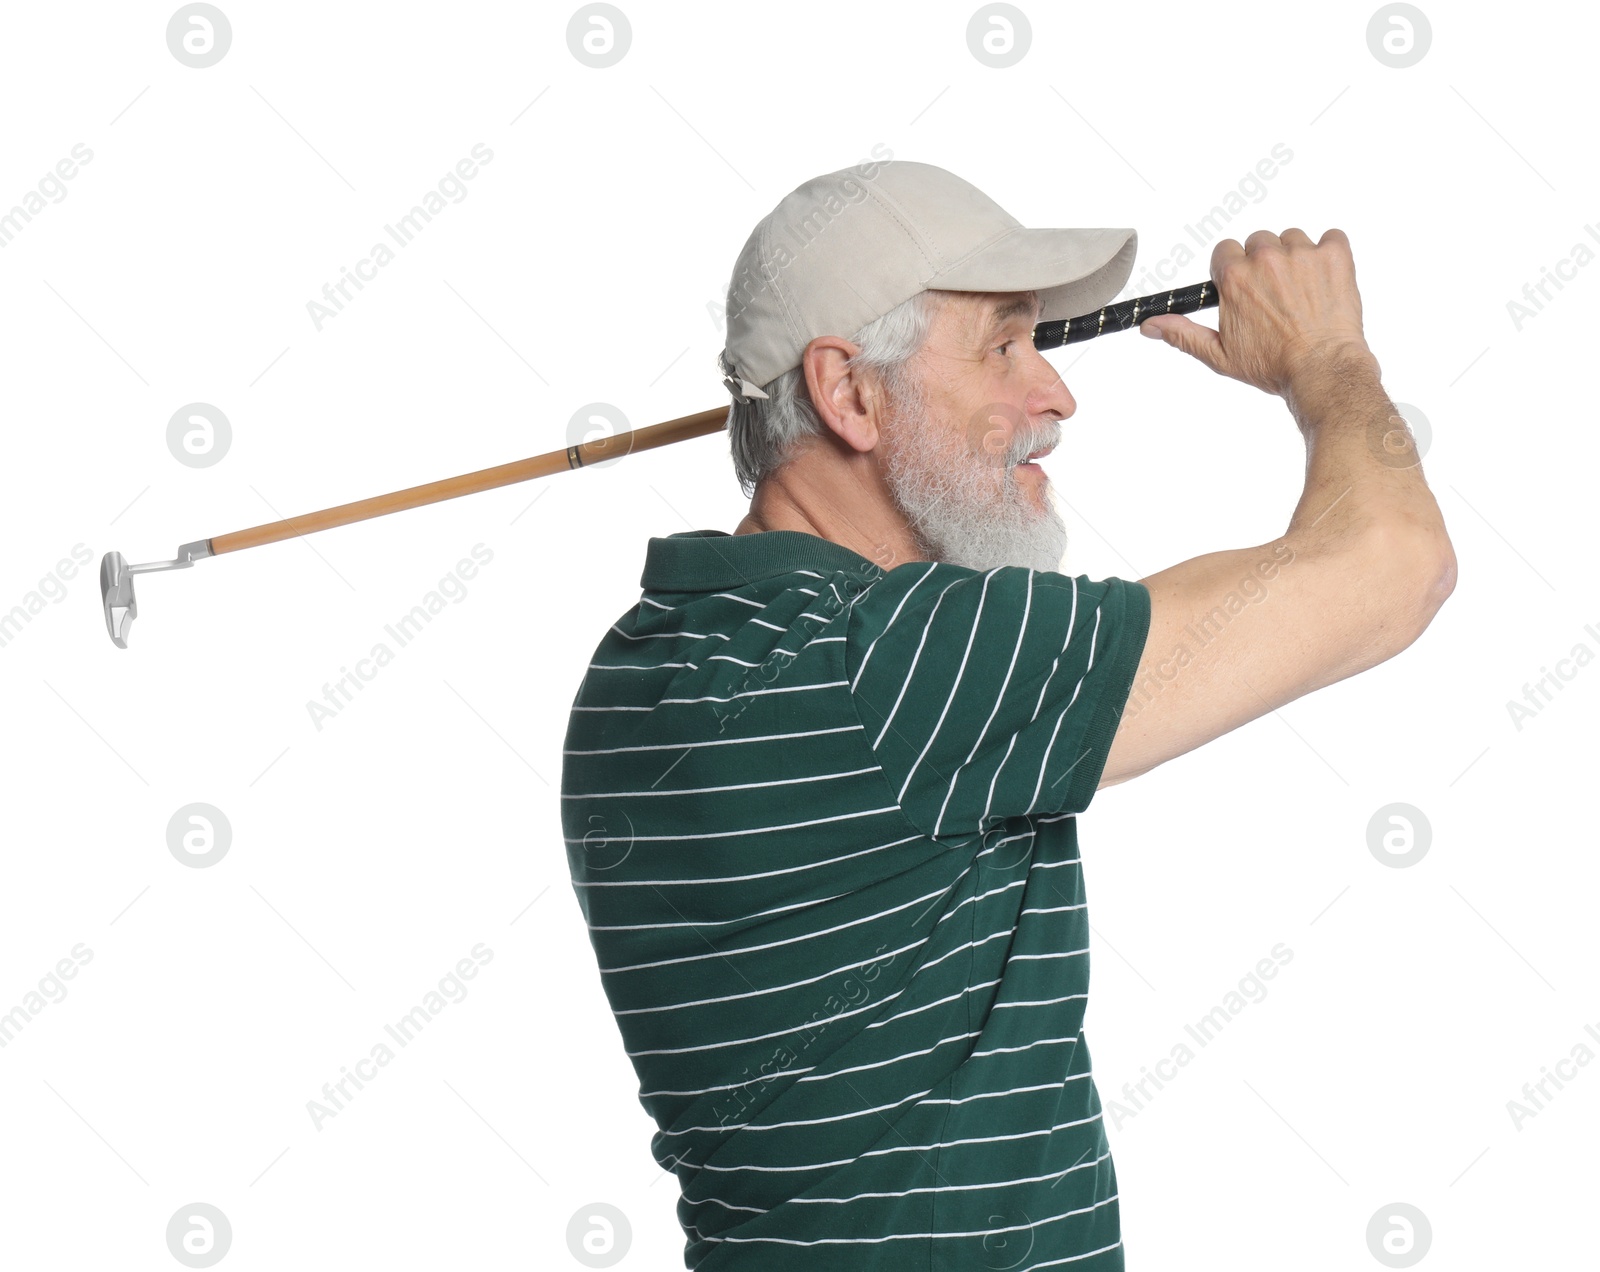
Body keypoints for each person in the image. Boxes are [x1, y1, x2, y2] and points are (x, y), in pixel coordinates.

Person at [560, 160, 1455, 1270]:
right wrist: (1328, 359)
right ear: (848, 395)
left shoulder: (644, 663)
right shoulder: (890, 664)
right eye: (1001, 347)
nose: (1057, 399)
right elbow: (1391, 566)